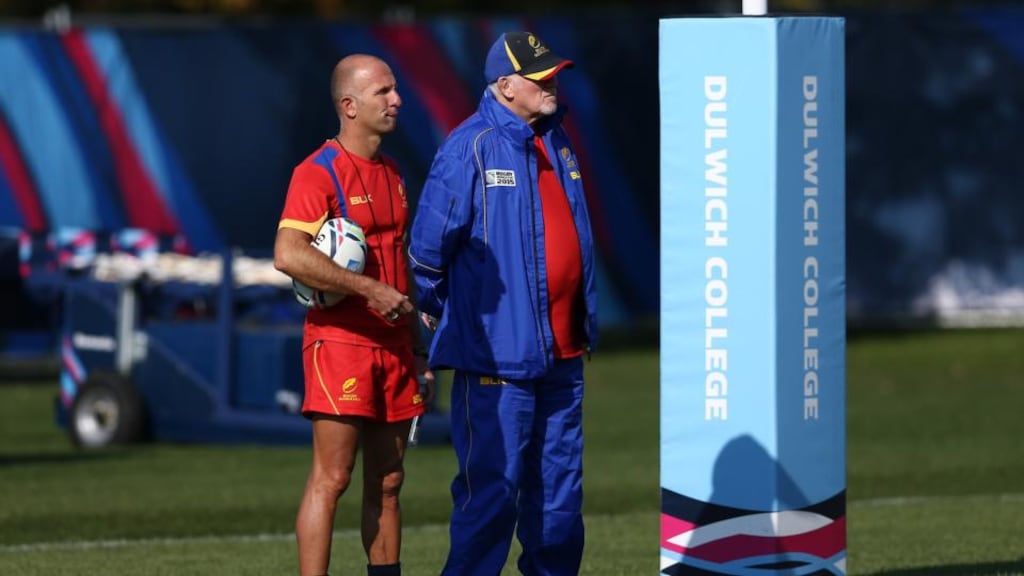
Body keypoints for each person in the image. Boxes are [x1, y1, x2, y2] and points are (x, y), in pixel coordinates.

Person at [408, 31, 598, 575]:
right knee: (490, 497)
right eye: (540, 76)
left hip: (563, 355)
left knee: (559, 504)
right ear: (504, 85)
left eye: (554, 72)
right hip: (495, 361)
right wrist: (465, 317)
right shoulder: (469, 146)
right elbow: (425, 257)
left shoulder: (558, 140)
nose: (552, 83)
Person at [273, 53, 434, 576]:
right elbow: (288, 253)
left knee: (388, 481)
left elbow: (399, 270)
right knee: (333, 478)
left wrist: (418, 348)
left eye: (395, 89)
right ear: (349, 105)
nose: (397, 101)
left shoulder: (393, 173)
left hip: (393, 349)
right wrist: (367, 288)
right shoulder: (316, 172)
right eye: (383, 92)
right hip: (339, 345)